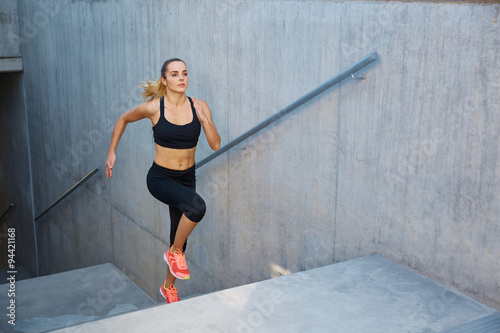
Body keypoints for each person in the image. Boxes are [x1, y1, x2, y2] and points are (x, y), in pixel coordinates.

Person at [105, 58, 221, 303]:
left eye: (185, 73)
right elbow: (123, 119)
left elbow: (215, 144)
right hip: (160, 178)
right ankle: (174, 253)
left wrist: (205, 120)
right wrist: (112, 152)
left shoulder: (199, 106)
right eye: (175, 74)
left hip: (187, 178)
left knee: (180, 234)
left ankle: (168, 286)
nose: (181, 78)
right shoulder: (154, 108)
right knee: (197, 208)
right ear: (165, 80)